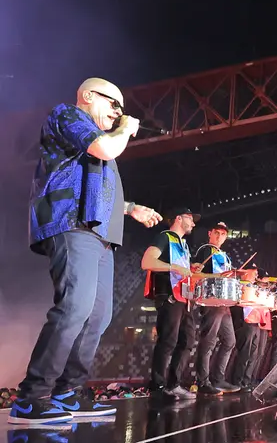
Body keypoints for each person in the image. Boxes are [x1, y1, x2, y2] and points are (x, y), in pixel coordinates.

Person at [11, 78, 163, 425]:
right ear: (88, 96)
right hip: (71, 223)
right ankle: (31, 396)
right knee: (74, 307)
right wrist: (124, 128)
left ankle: (69, 391)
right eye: (113, 105)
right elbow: (104, 151)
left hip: (99, 232)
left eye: (120, 110)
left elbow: (95, 188)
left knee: (98, 315)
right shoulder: (67, 116)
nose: (117, 113)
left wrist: (131, 208)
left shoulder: (100, 141)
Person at [141, 208, 218, 400]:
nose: (193, 223)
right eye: (190, 219)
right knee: (168, 340)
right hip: (169, 295)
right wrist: (174, 267)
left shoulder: (183, 245)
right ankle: (157, 386)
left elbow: (182, 271)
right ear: (178, 218)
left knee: (187, 341)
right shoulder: (164, 237)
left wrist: (190, 268)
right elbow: (147, 261)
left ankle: (173, 384)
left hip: (184, 298)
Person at [191, 222, 242, 396]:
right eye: (217, 233)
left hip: (224, 302)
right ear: (210, 233)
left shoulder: (224, 255)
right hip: (211, 300)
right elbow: (195, 273)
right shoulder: (206, 250)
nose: (220, 236)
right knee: (209, 341)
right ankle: (203, 381)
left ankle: (217, 379)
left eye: (223, 234)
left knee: (230, 341)